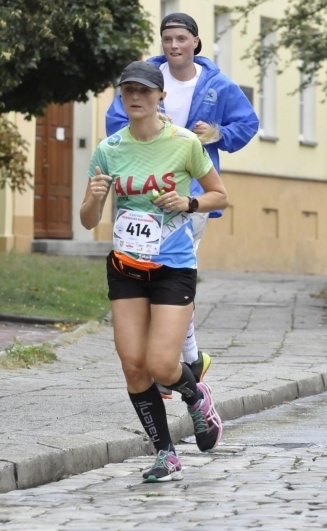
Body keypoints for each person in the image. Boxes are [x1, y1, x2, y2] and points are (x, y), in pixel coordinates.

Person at [81, 61, 227, 482]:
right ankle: (165, 453)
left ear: (160, 96)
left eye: (144, 90)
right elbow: (88, 220)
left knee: (162, 365)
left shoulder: (184, 143)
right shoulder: (110, 148)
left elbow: (219, 195)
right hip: (126, 266)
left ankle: (196, 397)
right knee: (133, 365)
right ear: (121, 96)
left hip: (172, 266)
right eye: (129, 90)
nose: (136, 97)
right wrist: (95, 198)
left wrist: (189, 203)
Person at [106, 13, 259, 397]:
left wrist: (218, 133)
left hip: (189, 195)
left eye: (180, 39)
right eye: (167, 39)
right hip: (142, 193)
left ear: (195, 42)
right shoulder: (144, 80)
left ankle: (171, 364)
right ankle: (187, 360)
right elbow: (115, 122)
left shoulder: (217, 84)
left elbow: (248, 124)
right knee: (149, 272)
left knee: (174, 273)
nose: (173, 45)